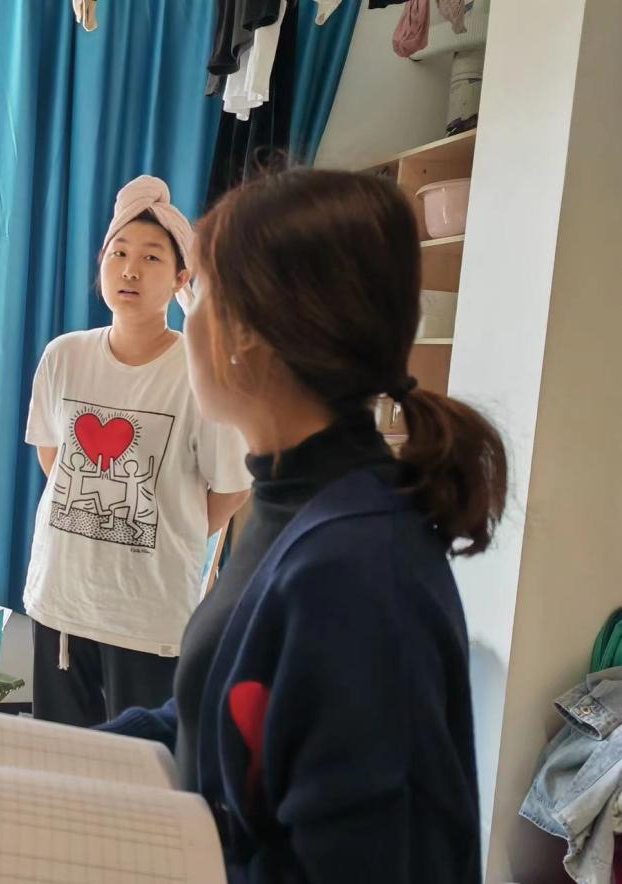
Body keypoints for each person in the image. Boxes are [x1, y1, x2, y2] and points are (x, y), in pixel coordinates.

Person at [102, 169, 506, 882]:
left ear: (248, 336)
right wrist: (69, 754)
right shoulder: (288, 501)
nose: (187, 319)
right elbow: (229, 713)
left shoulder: (357, 571)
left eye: (199, 294)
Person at [23, 175, 252, 727]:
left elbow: (231, 489)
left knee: (141, 763)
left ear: (180, 278)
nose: (130, 270)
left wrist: (173, 528)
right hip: (62, 601)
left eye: (151, 257)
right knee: (59, 758)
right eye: (119, 253)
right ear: (101, 264)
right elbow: (54, 458)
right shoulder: (64, 356)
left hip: (150, 616)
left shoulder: (200, 371)